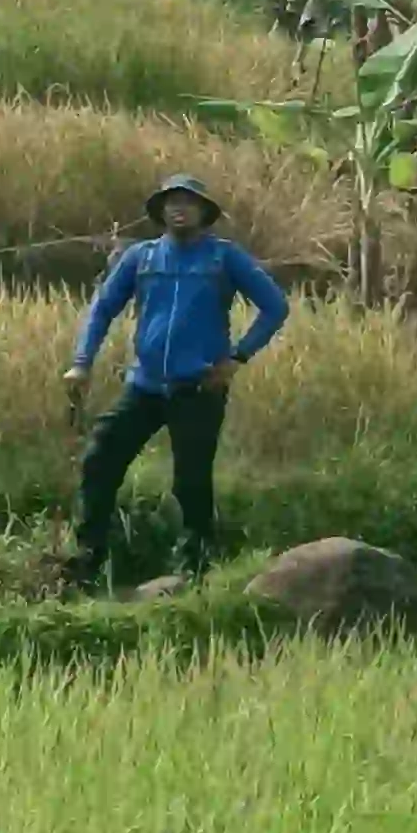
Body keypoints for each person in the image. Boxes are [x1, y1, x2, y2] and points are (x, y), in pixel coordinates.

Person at [64, 175, 290, 584]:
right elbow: (102, 309)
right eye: (171, 202)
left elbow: (275, 306)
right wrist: (82, 362)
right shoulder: (142, 258)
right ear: (160, 212)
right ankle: (87, 556)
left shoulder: (224, 258)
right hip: (145, 385)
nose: (178, 208)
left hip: (199, 386)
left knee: (191, 479)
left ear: (204, 212)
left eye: (188, 202)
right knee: (101, 457)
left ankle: (194, 563)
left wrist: (238, 356)